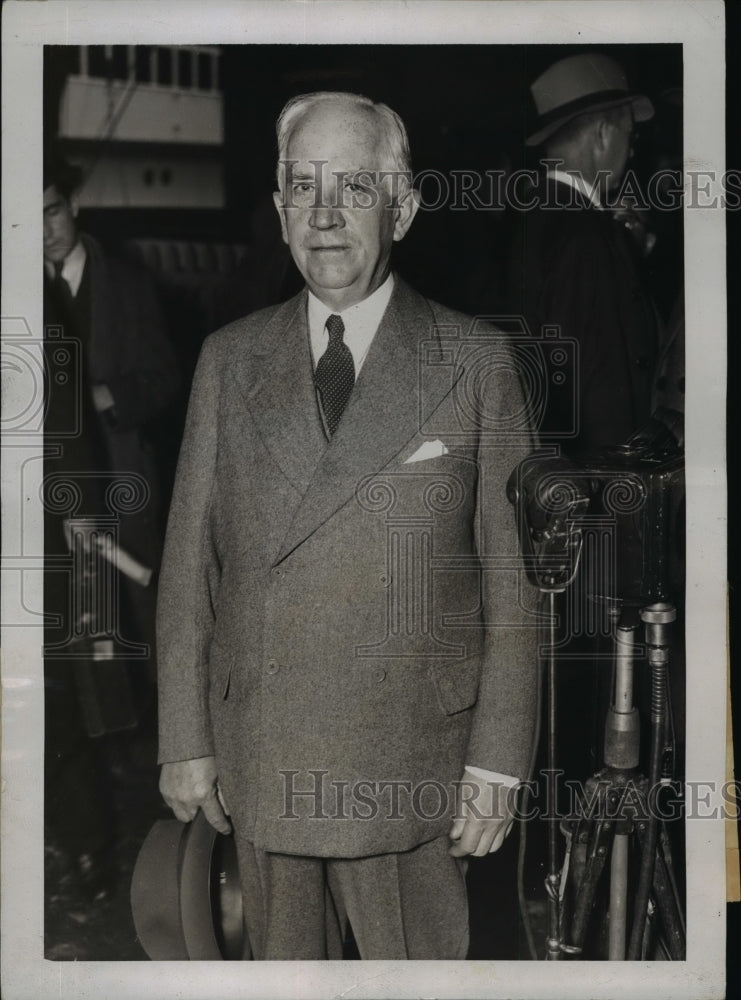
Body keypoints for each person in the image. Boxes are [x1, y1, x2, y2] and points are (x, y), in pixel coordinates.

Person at [156, 92, 539, 960]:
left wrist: (494, 766)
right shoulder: (228, 357)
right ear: (281, 207)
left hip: (412, 762)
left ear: (400, 208)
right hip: (266, 751)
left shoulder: (474, 361)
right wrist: (185, 737)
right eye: (303, 187)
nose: (325, 215)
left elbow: (515, 590)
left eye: (355, 187)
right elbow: (189, 569)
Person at [43, 153, 180, 904]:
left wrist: (108, 395)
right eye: (28, 219)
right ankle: (90, 828)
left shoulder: (127, 285)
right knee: (76, 658)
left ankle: (179, 803)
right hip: (58, 504)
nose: (43, 232)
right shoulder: (19, 289)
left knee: (146, 636)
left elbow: (165, 377)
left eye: (54, 212)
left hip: (123, 489)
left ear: (75, 209)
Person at [507, 52, 658, 454]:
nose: (631, 152)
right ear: (604, 134)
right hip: (593, 483)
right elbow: (599, 383)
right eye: (631, 136)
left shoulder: (524, 217)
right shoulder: (588, 235)